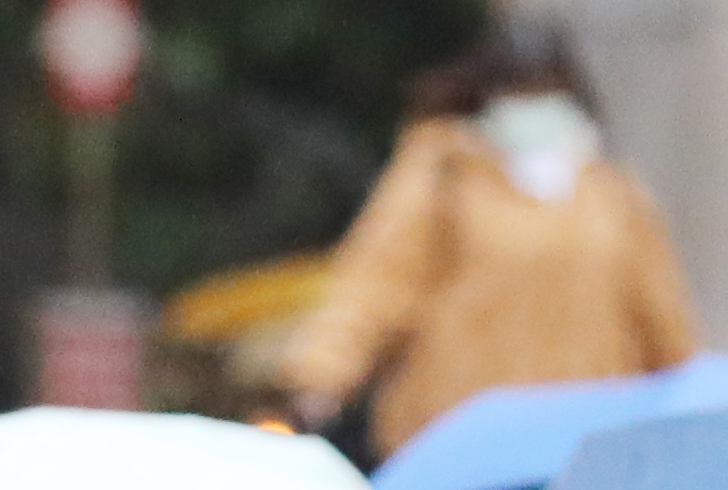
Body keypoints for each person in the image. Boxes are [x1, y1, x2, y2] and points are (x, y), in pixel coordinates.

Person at [276, 24, 697, 463]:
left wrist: (685, 399)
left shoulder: (611, 192)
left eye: (545, 90)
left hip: (582, 439)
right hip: (457, 439)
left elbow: (662, 314)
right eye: (521, 90)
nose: (534, 104)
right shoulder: (445, 176)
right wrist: (321, 376)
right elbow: (378, 282)